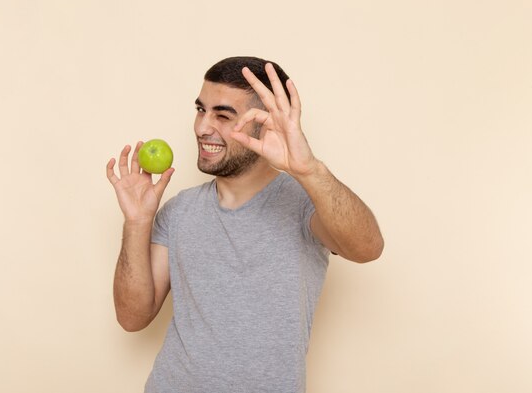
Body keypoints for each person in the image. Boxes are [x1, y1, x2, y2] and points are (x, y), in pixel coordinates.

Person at [106, 56, 384, 392]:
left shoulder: (304, 205)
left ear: (263, 123)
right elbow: (132, 317)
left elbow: (368, 248)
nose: (202, 127)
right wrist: (137, 222)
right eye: (200, 110)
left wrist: (308, 168)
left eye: (222, 115)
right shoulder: (179, 211)